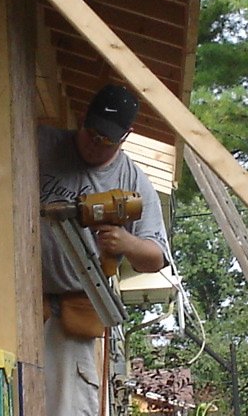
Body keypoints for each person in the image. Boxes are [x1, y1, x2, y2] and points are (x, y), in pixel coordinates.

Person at [38, 84, 171, 415]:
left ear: (125, 136)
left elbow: (156, 257)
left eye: (106, 141)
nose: (95, 144)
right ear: (83, 117)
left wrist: (126, 243)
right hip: (17, 299)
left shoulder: (132, 181)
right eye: (92, 133)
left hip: (72, 314)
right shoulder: (41, 143)